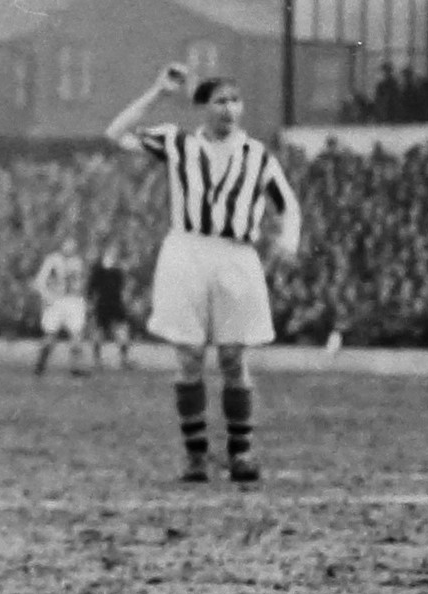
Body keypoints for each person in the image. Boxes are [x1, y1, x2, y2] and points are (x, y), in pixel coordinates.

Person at [106, 64, 304, 486]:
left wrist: (289, 240)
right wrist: (157, 92)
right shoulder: (178, 144)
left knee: (234, 357)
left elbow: (288, 205)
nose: (229, 109)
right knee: (189, 356)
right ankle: (196, 457)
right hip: (187, 250)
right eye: (220, 101)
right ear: (203, 108)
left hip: (236, 255)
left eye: (235, 100)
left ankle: (241, 453)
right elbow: (115, 134)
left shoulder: (257, 156)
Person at [32, 243, 93, 377]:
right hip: (57, 301)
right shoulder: (52, 260)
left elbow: (83, 281)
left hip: (75, 301)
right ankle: (40, 365)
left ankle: (76, 367)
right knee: (50, 336)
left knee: (77, 335)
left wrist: (84, 298)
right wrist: (47, 296)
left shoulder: (79, 261)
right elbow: (39, 282)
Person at [87, 248, 136, 368]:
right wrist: (91, 306)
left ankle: (124, 359)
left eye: (113, 256)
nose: (111, 258)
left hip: (116, 304)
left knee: (122, 331)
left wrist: (126, 302)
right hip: (102, 305)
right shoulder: (98, 271)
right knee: (99, 332)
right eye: (109, 255)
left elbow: (123, 289)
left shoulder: (118, 272)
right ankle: (97, 361)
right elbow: (91, 291)